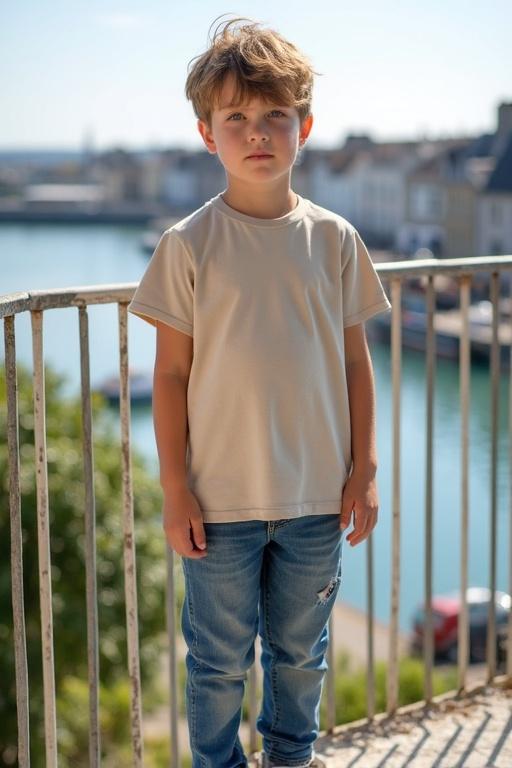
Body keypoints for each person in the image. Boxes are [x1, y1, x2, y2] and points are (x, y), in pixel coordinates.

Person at [128, 14, 392, 768]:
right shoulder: (187, 245)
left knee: (299, 659)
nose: (257, 132)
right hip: (217, 508)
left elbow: (355, 365)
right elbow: (171, 377)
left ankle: (291, 758)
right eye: (236, 118)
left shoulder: (335, 240)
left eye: (275, 115)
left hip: (315, 501)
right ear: (209, 135)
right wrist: (175, 491)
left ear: (304, 126)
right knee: (214, 665)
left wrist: (363, 471)